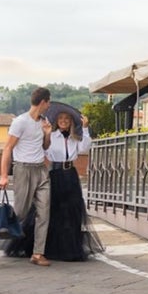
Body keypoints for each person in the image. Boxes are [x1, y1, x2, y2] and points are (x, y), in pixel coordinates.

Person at [0, 87, 52, 266]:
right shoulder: (20, 122)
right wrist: (4, 176)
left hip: (41, 170)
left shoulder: (43, 121)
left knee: (44, 212)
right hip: (23, 169)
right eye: (48, 102)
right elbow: (7, 148)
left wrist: (47, 133)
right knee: (20, 213)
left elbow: (45, 147)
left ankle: (38, 253)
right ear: (43, 102)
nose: (49, 106)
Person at [42, 110, 104, 260]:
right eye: (61, 118)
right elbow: (45, 150)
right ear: (56, 121)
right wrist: (47, 133)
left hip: (70, 175)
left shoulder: (75, 138)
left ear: (71, 122)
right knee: (55, 210)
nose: (63, 121)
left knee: (72, 210)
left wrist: (85, 128)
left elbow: (85, 148)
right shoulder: (51, 136)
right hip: (55, 174)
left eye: (67, 119)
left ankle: (70, 246)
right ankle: (52, 247)